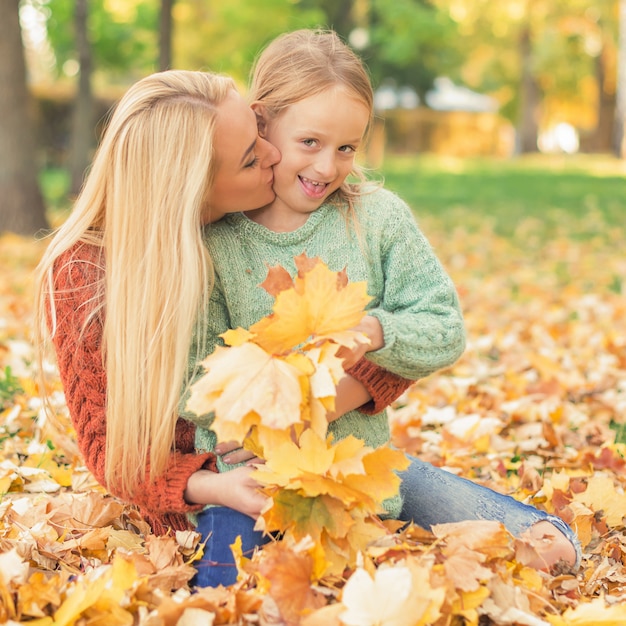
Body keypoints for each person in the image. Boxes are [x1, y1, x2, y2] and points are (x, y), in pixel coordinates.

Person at [189, 29, 580, 580]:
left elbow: (443, 326)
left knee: (553, 552)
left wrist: (376, 330)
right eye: (310, 143)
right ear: (262, 123)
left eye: (346, 147)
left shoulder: (375, 217)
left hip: (363, 471)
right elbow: (194, 377)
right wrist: (261, 432)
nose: (327, 167)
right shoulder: (217, 236)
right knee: (239, 588)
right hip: (254, 478)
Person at [33, 70, 414, 588]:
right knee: (235, 593)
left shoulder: (267, 219)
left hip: (322, 456)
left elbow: (400, 334)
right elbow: (110, 452)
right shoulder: (86, 275)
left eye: (260, 131)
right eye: (252, 157)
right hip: (212, 494)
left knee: (539, 536)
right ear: (191, 188)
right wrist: (216, 486)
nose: (273, 154)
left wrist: (324, 404)